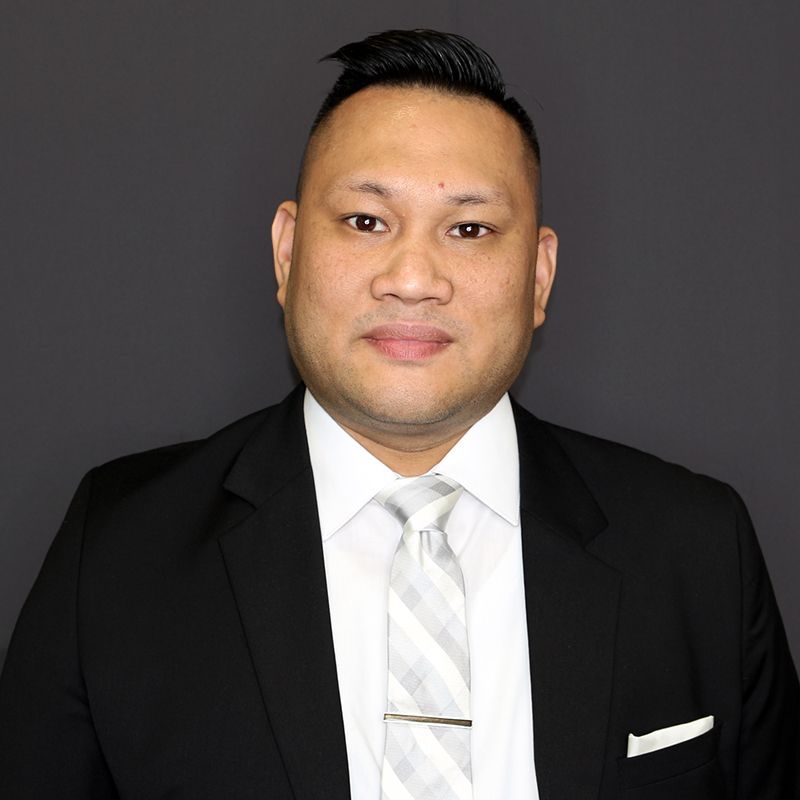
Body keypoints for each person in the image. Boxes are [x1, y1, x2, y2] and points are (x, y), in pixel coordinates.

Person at [0, 28, 797, 800]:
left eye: (470, 229)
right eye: (366, 221)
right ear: (287, 252)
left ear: (539, 275)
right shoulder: (120, 552)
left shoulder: (696, 549)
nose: (413, 279)